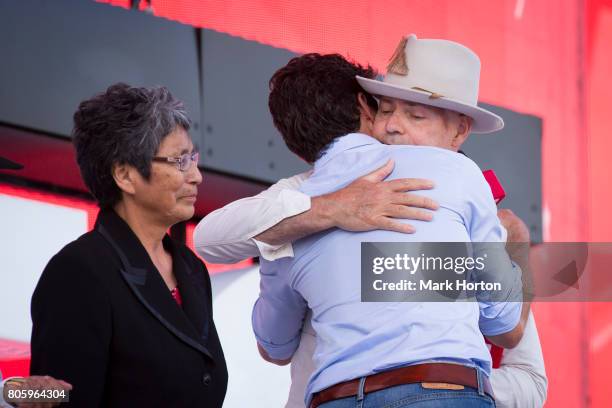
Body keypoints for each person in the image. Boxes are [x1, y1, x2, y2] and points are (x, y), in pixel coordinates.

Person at [195, 38, 546, 407]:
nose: (394, 126)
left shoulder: (293, 208)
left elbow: (274, 343)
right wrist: (331, 209)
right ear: (366, 109)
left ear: (459, 131)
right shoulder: (300, 201)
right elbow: (508, 328)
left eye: (415, 115)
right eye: (387, 108)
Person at [29, 84, 227, 407]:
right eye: (180, 161)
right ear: (125, 175)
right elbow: (59, 397)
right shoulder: (81, 271)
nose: (197, 176)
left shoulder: (191, 270)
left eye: (193, 157)